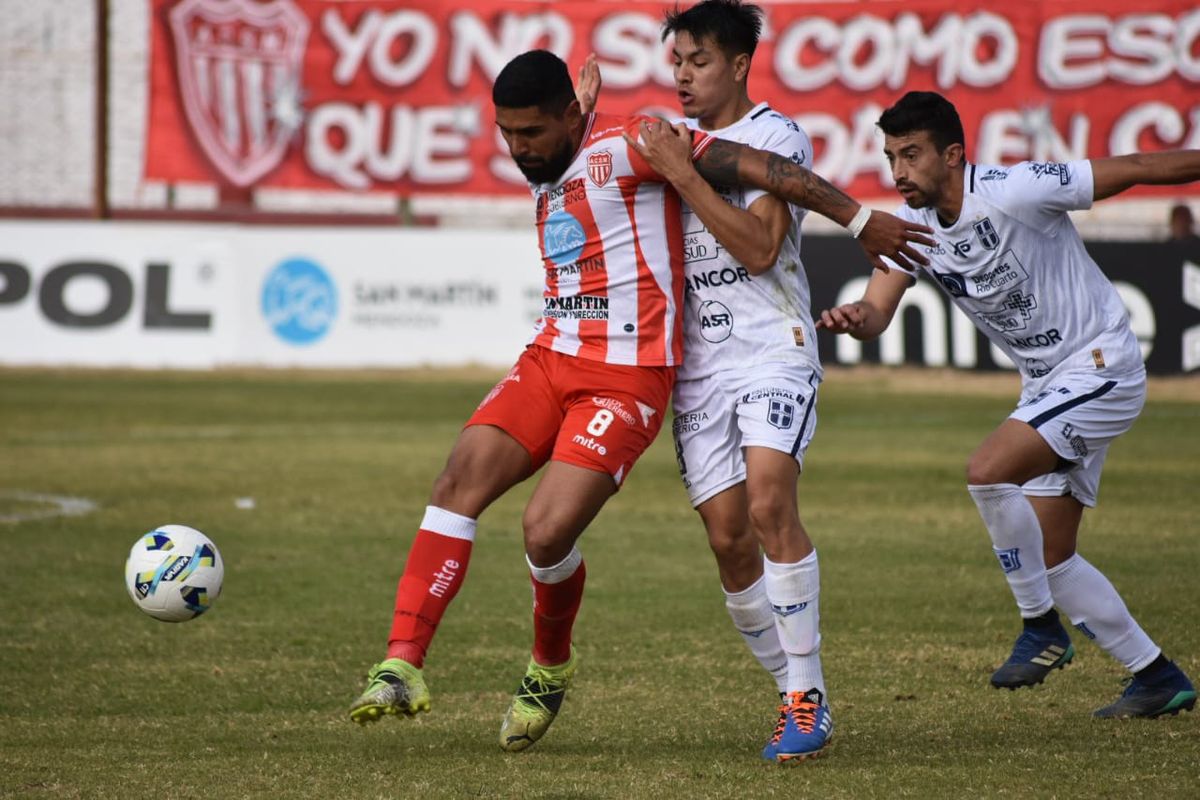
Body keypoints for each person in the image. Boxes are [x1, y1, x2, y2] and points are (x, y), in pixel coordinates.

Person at [347, 49, 932, 753]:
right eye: (506, 133)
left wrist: (858, 217)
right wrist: (568, 123)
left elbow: (762, 170)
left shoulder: (637, 144)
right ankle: (402, 663)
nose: (517, 149)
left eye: (530, 133)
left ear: (568, 115)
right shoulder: (554, 150)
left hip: (628, 374)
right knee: (456, 481)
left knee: (545, 532)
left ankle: (549, 665)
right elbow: (562, 144)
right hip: (550, 353)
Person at [813, 90, 1198, 718]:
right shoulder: (910, 229)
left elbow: (1138, 168)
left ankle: (1040, 630)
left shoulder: (1016, 189)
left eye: (911, 155)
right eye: (890, 157)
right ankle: (1156, 676)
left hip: (1100, 366)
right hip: (1048, 386)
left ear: (953, 154)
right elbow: (878, 311)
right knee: (1053, 558)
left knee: (987, 471)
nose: (899, 172)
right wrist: (856, 316)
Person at [578, 0, 833, 762]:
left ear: (739, 65)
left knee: (766, 503)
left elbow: (759, 247)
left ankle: (806, 700)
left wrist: (682, 173)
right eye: (677, 63)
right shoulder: (674, 140)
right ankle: (793, 688)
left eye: (699, 62)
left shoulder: (774, 138)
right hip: (697, 369)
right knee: (728, 541)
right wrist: (582, 129)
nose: (683, 77)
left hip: (771, 347)